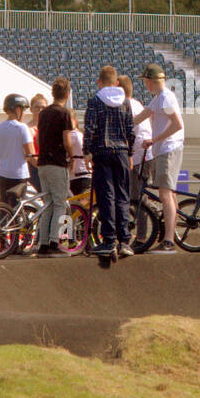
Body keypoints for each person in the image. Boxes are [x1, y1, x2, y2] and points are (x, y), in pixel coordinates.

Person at [83, 65, 135, 258]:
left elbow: (90, 128)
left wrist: (86, 151)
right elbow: (131, 129)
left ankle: (108, 240)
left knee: (107, 196)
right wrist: (130, 153)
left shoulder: (95, 100)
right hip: (121, 151)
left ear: (99, 81)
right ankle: (125, 241)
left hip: (102, 151)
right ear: (116, 82)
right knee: (123, 196)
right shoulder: (125, 102)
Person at [134, 64, 184, 253]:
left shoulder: (165, 98)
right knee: (169, 194)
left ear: (149, 81)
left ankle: (169, 241)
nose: (145, 85)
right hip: (164, 149)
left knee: (165, 194)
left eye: (145, 81)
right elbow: (142, 116)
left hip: (169, 149)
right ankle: (170, 237)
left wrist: (153, 140)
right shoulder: (158, 99)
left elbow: (177, 125)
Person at [35, 78, 76, 258]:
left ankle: (43, 243)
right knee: (60, 203)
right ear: (67, 95)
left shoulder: (43, 113)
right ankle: (54, 241)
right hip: (57, 163)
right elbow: (67, 140)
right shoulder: (64, 113)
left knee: (48, 204)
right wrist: (72, 156)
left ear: (52, 94)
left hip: (42, 162)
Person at [118, 74, 153, 248]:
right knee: (137, 196)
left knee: (137, 198)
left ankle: (141, 237)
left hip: (138, 157)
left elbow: (126, 133)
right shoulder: (138, 104)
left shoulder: (127, 106)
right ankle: (143, 231)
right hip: (142, 156)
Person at [0, 93, 34, 210]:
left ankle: (0, 226)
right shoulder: (22, 128)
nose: (24, 113)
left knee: (3, 206)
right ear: (17, 109)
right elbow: (30, 153)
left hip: (3, 173)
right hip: (19, 174)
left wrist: (6, 156)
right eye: (24, 110)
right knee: (16, 208)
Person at [25, 93, 48, 195]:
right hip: (34, 167)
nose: (40, 110)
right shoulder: (27, 128)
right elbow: (29, 155)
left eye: (43, 107)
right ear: (31, 109)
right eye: (37, 107)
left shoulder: (49, 127)